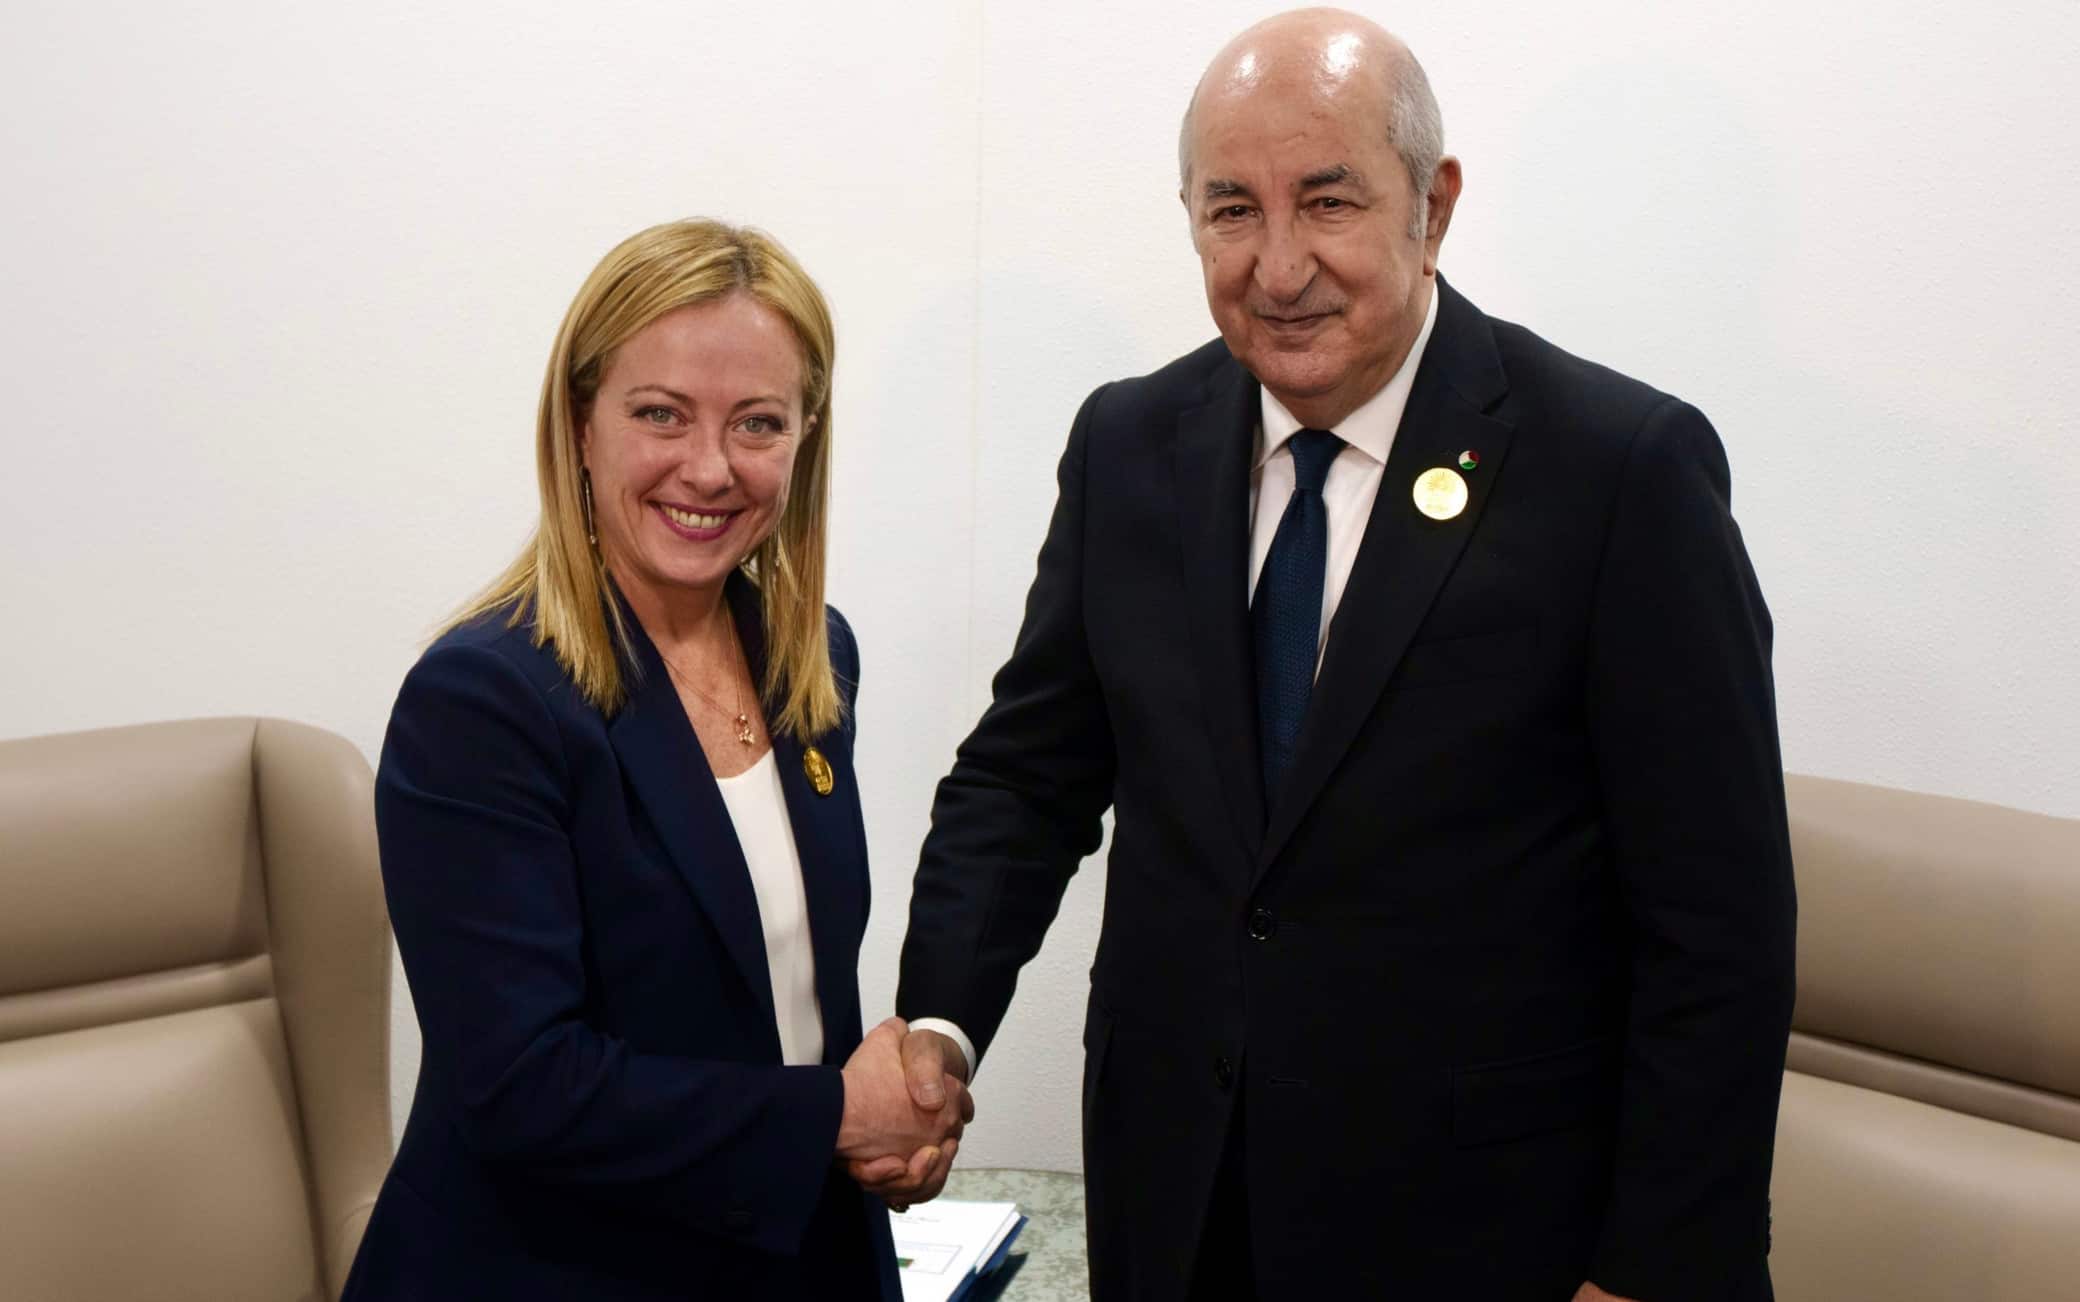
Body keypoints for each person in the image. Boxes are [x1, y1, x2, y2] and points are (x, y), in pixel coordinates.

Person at [884, 10, 1797, 1300]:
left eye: (1326, 201)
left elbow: (1718, 923)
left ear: (1434, 205)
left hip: (1490, 1233)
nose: (1277, 265)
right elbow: (1026, 779)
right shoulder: (1128, 446)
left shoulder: (1617, 471)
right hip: (1179, 1208)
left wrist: (1653, 1265)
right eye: (1230, 210)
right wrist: (938, 1025)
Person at [341, 219, 968, 1301]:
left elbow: (791, 1004)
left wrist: (886, 1133)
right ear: (579, 423)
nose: (711, 468)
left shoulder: (811, 658)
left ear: (805, 436)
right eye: (660, 415)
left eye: (758, 423)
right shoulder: (484, 699)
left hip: (787, 1253)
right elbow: (522, 1088)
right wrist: (838, 1116)